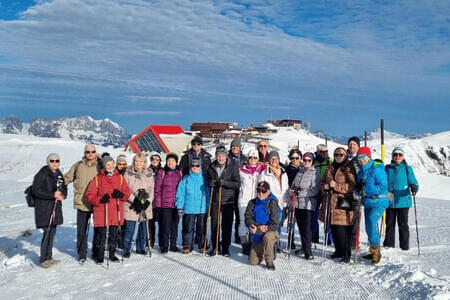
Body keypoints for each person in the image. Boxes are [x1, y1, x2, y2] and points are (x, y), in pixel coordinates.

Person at [86, 156, 130, 264]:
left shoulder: (119, 177)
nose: (110, 167)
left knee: (113, 234)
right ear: (104, 166)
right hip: (103, 210)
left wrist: (121, 195)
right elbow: (89, 194)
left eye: (112, 164)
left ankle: (112, 254)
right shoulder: (98, 178)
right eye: (108, 165)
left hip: (115, 210)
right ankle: (100, 255)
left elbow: (127, 193)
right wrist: (100, 199)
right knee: (102, 234)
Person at [64, 144, 100, 263]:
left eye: (92, 151)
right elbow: (67, 178)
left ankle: (96, 252)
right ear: (84, 153)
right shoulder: (78, 165)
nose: (90, 154)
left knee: (99, 229)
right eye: (87, 152)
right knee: (81, 230)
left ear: (96, 152)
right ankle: (82, 254)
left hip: (96, 202)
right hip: (82, 202)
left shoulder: (100, 165)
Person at [320, 147, 357, 263]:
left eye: (341, 155)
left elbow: (351, 186)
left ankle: (346, 254)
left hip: (342, 203)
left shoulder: (348, 168)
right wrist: (325, 187)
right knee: (334, 229)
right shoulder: (330, 168)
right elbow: (322, 182)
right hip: (330, 203)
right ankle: (338, 251)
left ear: (345, 155)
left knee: (342, 230)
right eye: (336, 155)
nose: (338, 157)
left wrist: (336, 186)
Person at [355, 146, 389, 264]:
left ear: (369, 157)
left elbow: (383, 186)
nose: (361, 160)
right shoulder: (360, 173)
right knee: (368, 226)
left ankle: (376, 251)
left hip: (379, 201)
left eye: (363, 157)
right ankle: (372, 249)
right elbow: (358, 189)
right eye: (359, 157)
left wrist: (366, 188)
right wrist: (357, 190)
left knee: (371, 221)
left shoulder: (377, 170)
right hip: (368, 202)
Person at [32, 153, 67, 268]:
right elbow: (36, 191)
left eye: (57, 161)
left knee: (52, 233)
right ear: (48, 162)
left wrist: (63, 195)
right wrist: (52, 195)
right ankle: (43, 259)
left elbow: (64, 188)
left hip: (55, 208)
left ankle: (49, 257)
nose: (55, 163)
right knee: (47, 233)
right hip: (44, 208)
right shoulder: (42, 174)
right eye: (52, 161)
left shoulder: (59, 174)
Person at [207, 144, 241, 257]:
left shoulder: (233, 166)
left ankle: (225, 248)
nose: (220, 158)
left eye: (222, 155)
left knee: (227, 225)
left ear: (226, 156)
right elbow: (208, 180)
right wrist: (210, 183)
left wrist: (225, 183)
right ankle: (215, 246)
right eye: (218, 156)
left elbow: (237, 184)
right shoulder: (211, 167)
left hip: (228, 200)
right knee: (214, 224)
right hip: (216, 199)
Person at [383, 147, 419, 251]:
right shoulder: (387, 168)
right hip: (390, 199)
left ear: (403, 157)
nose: (397, 157)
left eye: (400, 155)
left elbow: (413, 181)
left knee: (403, 225)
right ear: (392, 156)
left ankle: (404, 247)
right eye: (395, 155)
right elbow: (383, 181)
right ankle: (389, 246)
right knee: (389, 224)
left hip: (403, 200)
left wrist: (414, 186)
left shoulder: (408, 168)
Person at [290, 152, 320, 260]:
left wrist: (299, 194)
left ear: (312, 161)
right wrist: (292, 191)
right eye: (305, 160)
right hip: (297, 204)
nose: (306, 162)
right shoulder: (300, 171)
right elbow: (293, 184)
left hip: (307, 204)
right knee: (301, 227)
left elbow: (314, 190)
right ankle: (304, 247)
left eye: (309, 160)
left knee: (307, 228)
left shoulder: (315, 172)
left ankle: (308, 251)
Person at [123, 153, 154, 257]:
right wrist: (134, 200)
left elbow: (151, 190)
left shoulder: (149, 174)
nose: (138, 163)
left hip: (145, 204)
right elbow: (125, 189)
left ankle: (141, 247)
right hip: (131, 205)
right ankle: (126, 249)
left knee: (143, 228)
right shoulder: (128, 173)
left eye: (141, 161)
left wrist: (148, 201)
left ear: (144, 163)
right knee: (130, 229)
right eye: (136, 161)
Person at [176, 158, 210, 254]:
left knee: (202, 228)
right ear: (190, 167)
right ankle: (187, 245)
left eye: (197, 166)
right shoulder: (186, 179)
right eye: (193, 166)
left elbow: (208, 193)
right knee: (188, 228)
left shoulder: (204, 178)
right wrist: (180, 206)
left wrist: (208, 206)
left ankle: (202, 244)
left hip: (201, 208)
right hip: (189, 208)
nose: (195, 168)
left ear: (200, 166)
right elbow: (180, 193)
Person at [245, 181, 280, 270]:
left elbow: (275, 224)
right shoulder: (252, 203)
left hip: (271, 231)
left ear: (268, 192)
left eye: (263, 191)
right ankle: (266, 250)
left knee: (268, 237)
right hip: (258, 232)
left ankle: (269, 260)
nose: (260, 193)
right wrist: (253, 226)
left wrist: (259, 229)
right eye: (258, 190)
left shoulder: (272, 203)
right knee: (253, 262)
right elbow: (247, 218)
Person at [258, 150, 288, 252]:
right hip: (269, 203)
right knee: (270, 224)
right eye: (272, 158)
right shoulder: (264, 174)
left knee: (278, 224)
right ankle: (269, 244)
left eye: (276, 158)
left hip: (281, 203)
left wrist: (286, 202)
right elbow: (260, 189)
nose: (274, 160)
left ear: (279, 160)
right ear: (269, 160)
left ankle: (276, 243)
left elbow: (286, 188)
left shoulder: (283, 173)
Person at [237, 149, 264, 255]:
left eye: (255, 158)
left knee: (254, 223)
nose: (252, 159)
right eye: (250, 157)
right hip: (243, 200)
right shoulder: (241, 170)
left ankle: (253, 243)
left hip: (256, 201)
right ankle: (244, 244)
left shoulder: (261, 170)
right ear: (247, 159)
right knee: (243, 222)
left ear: (258, 159)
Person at [154, 153, 183, 254]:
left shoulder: (180, 172)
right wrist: (158, 205)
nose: (171, 163)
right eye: (169, 161)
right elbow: (157, 190)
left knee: (175, 226)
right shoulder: (162, 172)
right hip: (165, 205)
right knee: (165, 226)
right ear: (166, 162)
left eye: (173, 161)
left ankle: (173, 245)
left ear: (176, 162)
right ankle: (164, 245)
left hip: (176, 204)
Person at [312, 144, 333, 245]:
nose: (325, 153)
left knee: (327, 214)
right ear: (317, 152)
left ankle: (329, 238)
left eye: (326, 151)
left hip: (326, 191)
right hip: (315, 191)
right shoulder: (313, 162)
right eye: (322, 152)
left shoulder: (330, 161)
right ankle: (314, 236)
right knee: (314, 214)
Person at [228, 138, 247, 244]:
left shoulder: (244, 159)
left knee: (240, 216)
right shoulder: (227, 158)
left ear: (240, 148)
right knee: (229, 216)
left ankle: (239, 236)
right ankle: (227, 236)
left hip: (242, 189)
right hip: (230, 189)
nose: (235, 148)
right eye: (233, 146)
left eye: (237, 146)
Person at [285, 148, 303, 250]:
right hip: (291, 197)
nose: (295, 160)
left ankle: (303, 242)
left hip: (302, 198)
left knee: (302, 221)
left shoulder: (304, 168)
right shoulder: (288, 169)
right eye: (292, 158)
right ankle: (290, 240)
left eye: (297, 158)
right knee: (291, 220)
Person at [148, 151, 162, 247]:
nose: (155, 161)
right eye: (153, 159)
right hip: (150, 201)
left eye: (157, 159)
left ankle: (161, 242)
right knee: (150, 223)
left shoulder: (163, 171)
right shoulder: (147, 171)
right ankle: (150, 241)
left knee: (162, 223)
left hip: (160, 200)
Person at [115, 154, 128, 249]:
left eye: (124, 164)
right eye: (120, 163)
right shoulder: (114, 173)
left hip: (126, 201)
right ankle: (116, 241)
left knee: (124, 223)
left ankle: (122, 242)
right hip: (116, 201)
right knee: (116, 223)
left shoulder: (128, 173)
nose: (122, 165)